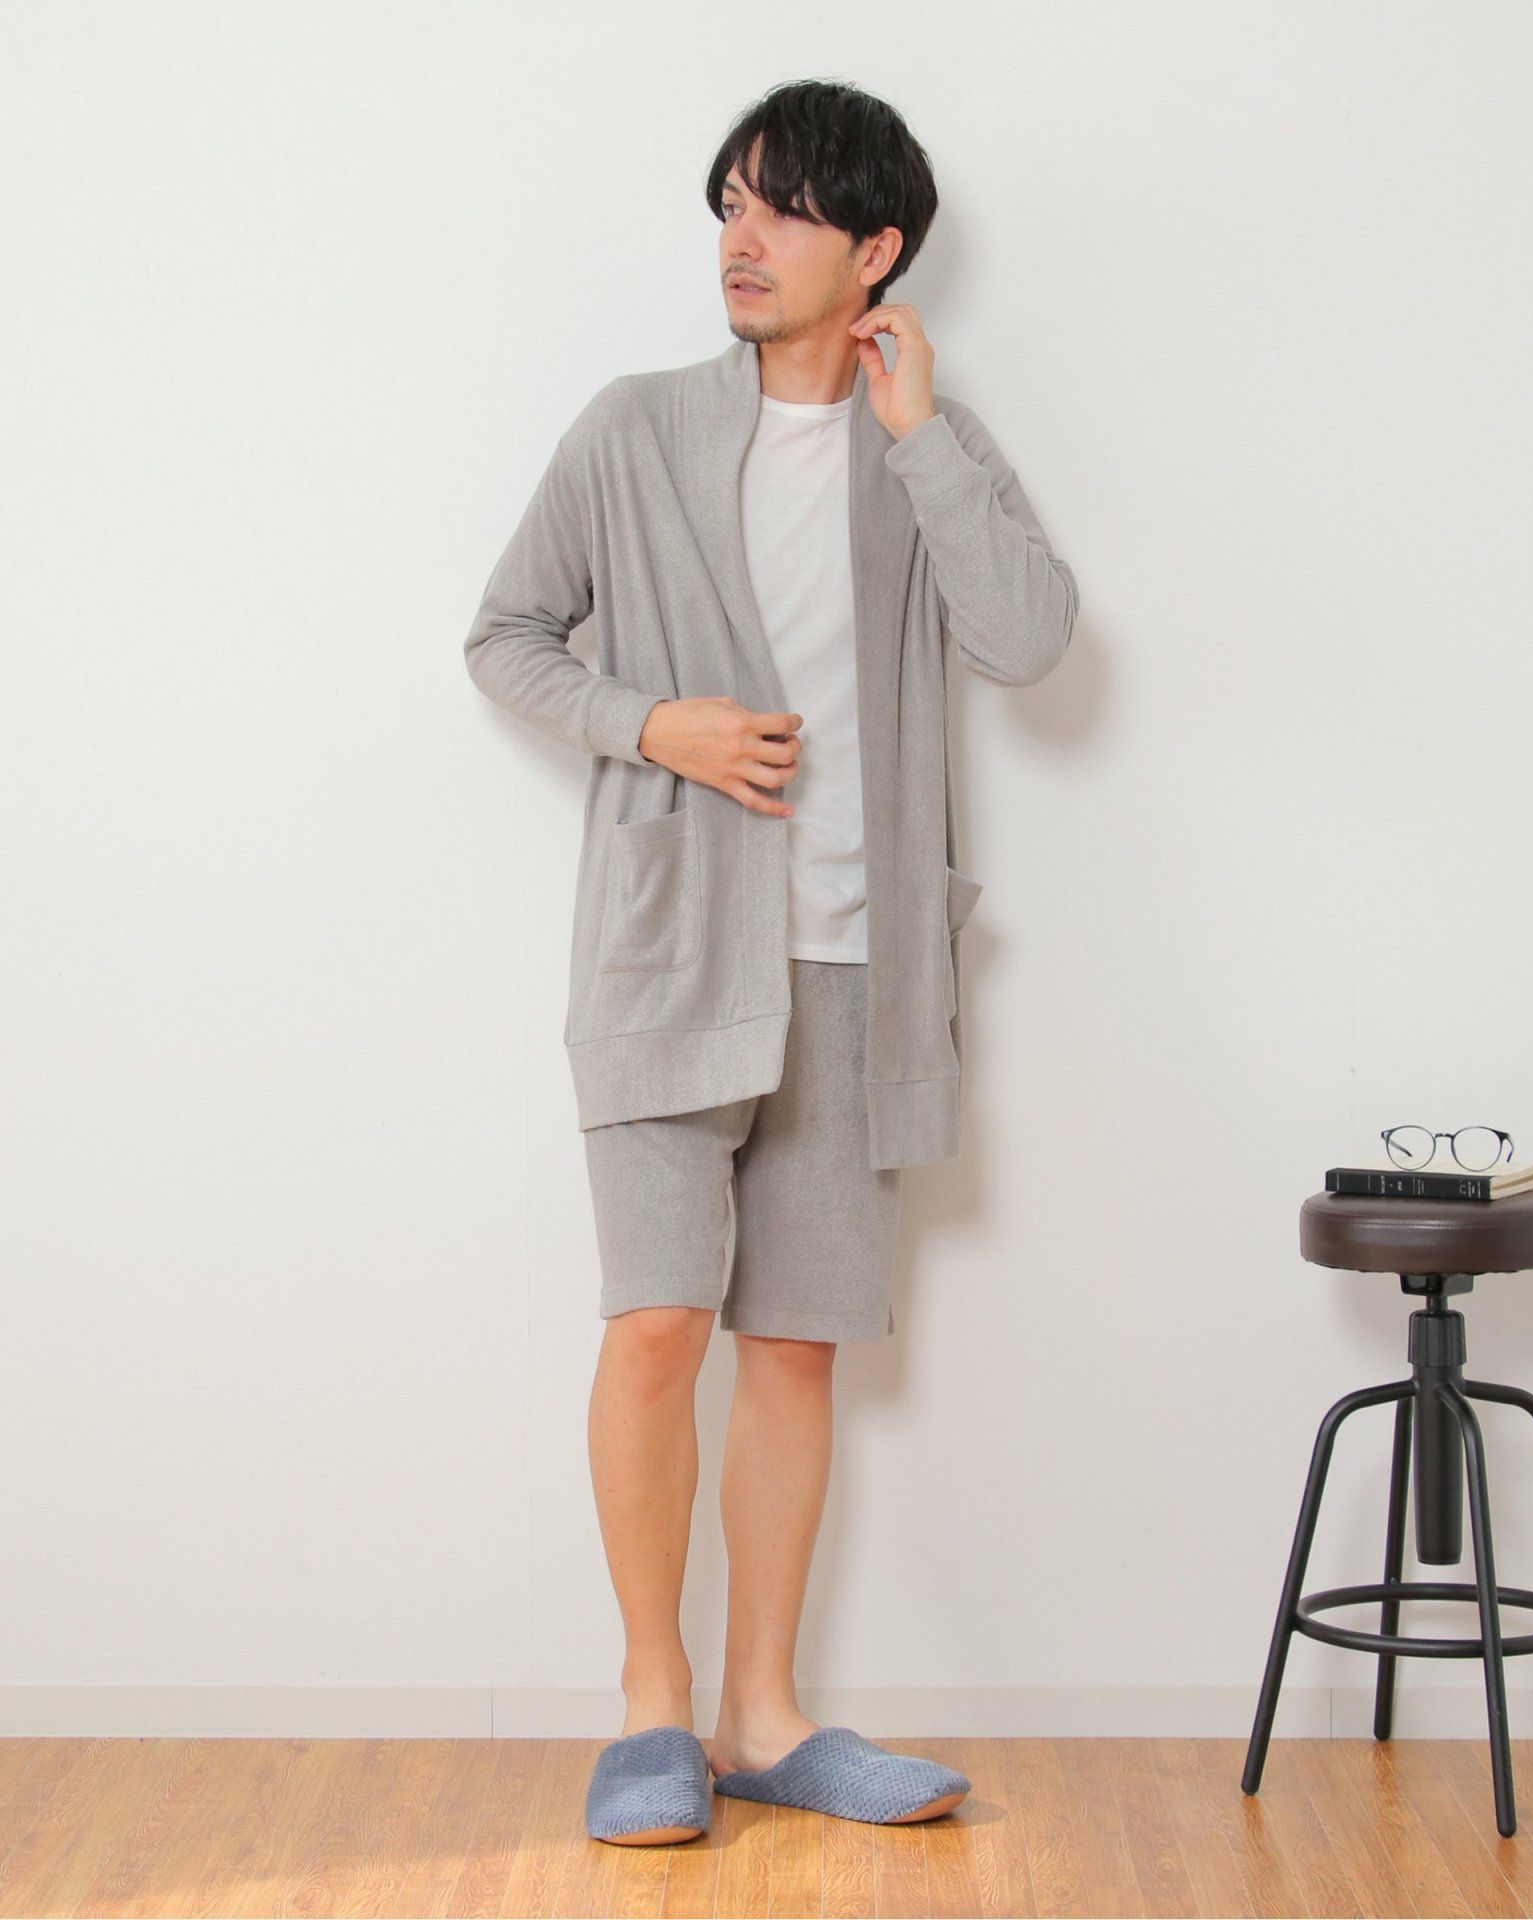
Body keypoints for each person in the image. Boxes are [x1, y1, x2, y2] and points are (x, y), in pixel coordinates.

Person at [463, 78, 1078, 1845]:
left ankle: (764, 1714)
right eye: (731, 203)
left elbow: (1031, 640)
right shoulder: (636, 430)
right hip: (671, 953)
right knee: (659, 1323)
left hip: (856, 975)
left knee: (794, 1347)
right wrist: (654, 722)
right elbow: (506, 635)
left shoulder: (923, 445)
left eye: (786, 209)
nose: (742, 240)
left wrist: (924, 434)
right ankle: (653, 1706)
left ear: (875, 251)